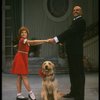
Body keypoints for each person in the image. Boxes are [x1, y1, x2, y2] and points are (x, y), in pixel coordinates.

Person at [48, 5, 86, 100]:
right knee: (73, 73)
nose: (75, 11)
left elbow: (70, 32)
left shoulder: (81, 21)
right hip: (72, 52)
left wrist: (56, 39)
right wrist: (61, 42)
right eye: (74, 10)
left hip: (76, 52)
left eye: (77, 10)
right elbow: (72, 35)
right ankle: (74, 92)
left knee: (78, 74)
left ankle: (80, 96)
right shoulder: (75, 21)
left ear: (81, 12)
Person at [10, 26, 48, 100]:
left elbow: (34, 43)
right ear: (20, 34)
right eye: (22, 32)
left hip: (22, 58)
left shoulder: (26, 41)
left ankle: (19, 95)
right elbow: (33, 42)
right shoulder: (22, 40)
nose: (24, 33)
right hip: (20, 58)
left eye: (25, 32)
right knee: (24, 76)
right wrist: (45, 40)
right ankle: (30, 93)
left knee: (19, 76)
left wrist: (44, 41)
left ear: (27, 34)